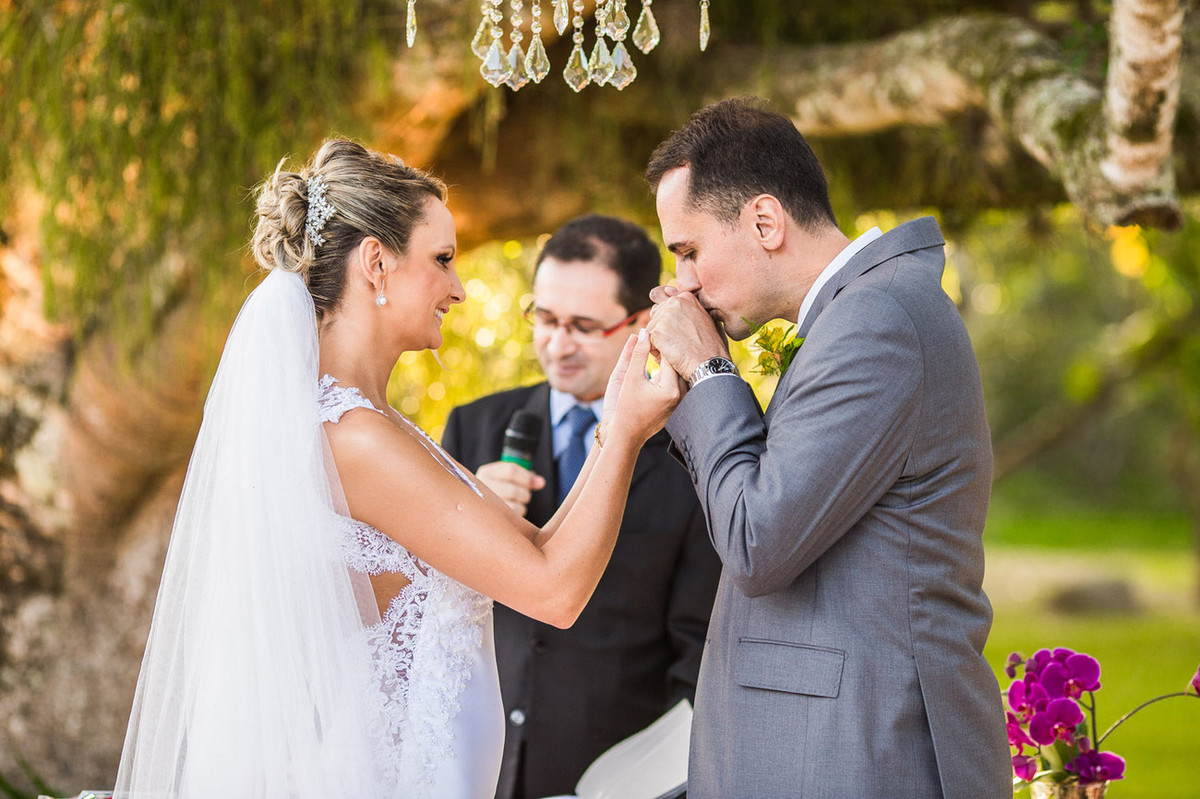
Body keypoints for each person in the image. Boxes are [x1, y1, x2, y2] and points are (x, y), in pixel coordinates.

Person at [113, 140, 683, 799]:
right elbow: (554, 590)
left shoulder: (375, 425)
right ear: (376, 263)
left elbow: (538, 549)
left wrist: (616, 425)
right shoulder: (354, 439)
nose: (460, 287)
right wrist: (628, 436)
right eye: (441, 259)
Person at [642, 98, 1011, 798]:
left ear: (764, 221)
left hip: (863, 753)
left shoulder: (878, 320)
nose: (683, 280)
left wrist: (710, 372)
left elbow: (758, 539)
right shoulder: (861, 313)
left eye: (688, 249)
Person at [441, 215, 721, 799]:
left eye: (583, 326)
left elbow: (702, 646)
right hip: (476, 766)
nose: (556, 343)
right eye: (543, 318)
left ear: (640, 325)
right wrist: (466, 513)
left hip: (621, 773)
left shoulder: (696, 451)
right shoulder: (473, 427)